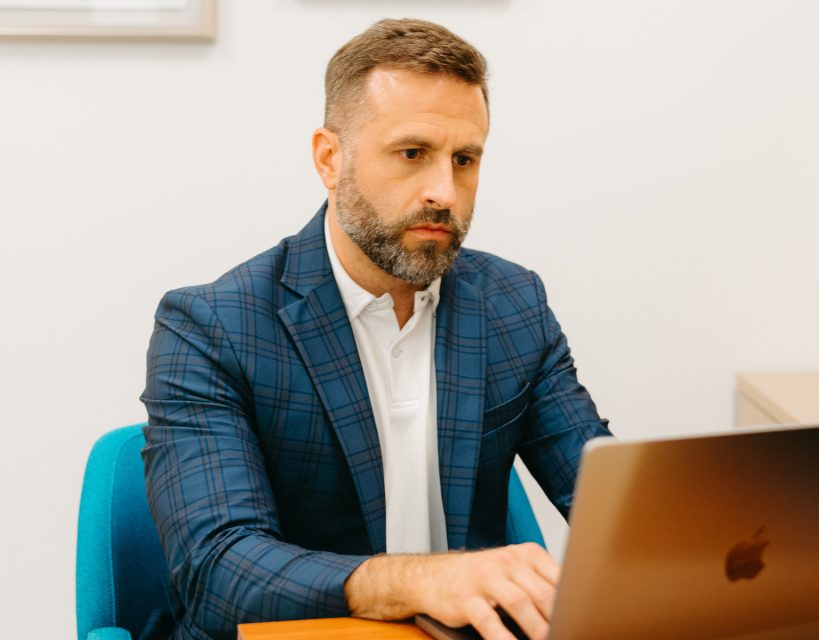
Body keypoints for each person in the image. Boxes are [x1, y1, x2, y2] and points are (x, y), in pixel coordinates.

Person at [141, 18, 611, 640]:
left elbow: (604, 501)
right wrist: (420, 581)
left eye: (464, 159)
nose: (445, 191)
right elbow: (217, 571)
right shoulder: (212, 326)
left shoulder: (512, 304)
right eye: (413, 154)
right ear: (330, 159)